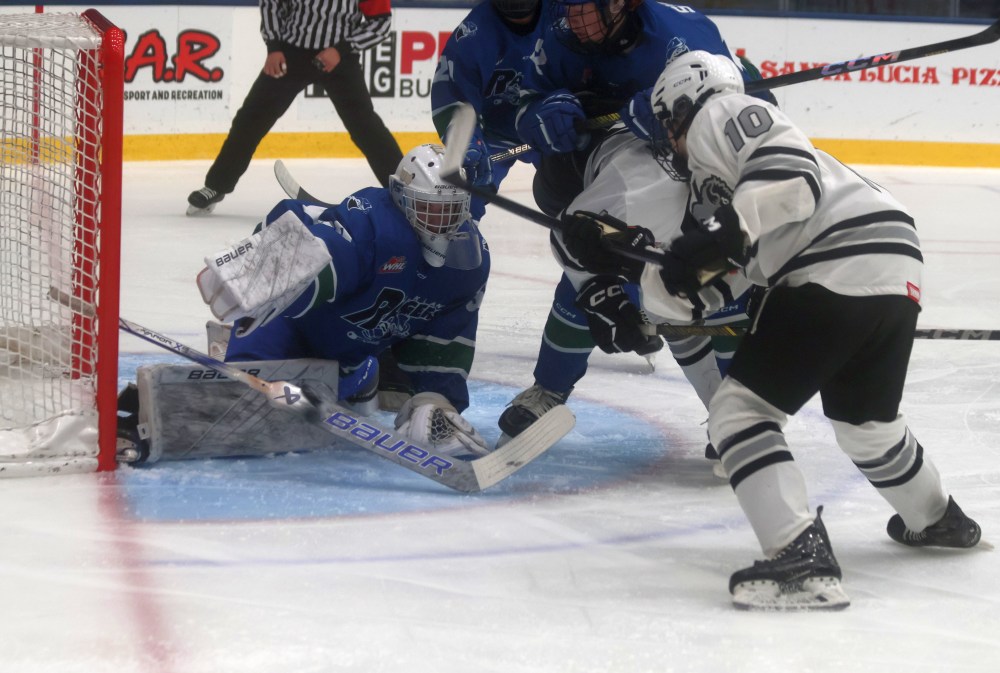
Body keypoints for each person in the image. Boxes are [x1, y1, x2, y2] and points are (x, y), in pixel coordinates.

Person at [572, 50, 983, 610]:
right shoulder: (720, 190)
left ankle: (799, 554)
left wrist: (722, 231)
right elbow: (720, 281)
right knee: (868, 424)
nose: (670, 140)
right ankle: (937, 518)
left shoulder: (721, 112)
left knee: (740, 415)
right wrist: (626, 265)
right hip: (890, 268)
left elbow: (792, 175)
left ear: (680, 107)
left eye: (669, 123)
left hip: (833, 260)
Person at [121, 145, 494, 464]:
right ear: (400, 197)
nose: (442, 224)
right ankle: (208, 368)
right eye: (430, 209)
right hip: (289, 328)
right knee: (249, 412)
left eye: (452, 210)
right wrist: (273, 273)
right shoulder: (373, 222)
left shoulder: (468, 261)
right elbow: (328, 248)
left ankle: (364, 376)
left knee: (325, 392)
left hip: (347, 353)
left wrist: (435, 399)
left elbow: (445, 335)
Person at [498, 0, 764, 442]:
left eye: (586, 8)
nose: (572, 19)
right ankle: (549, 389)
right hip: (610, 161)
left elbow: (754, 108)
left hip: (683, 167)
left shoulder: (683, 35)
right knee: (598, 255)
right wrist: (540, 117)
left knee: (727, 293)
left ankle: (737, 417)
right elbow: (525, 104)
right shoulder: (563, 36)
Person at [186, 0, 403, 216]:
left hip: (340, 59)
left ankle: (405, 192)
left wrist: (342, 49)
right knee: (251, 119)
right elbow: (272, 5)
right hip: (291, 54)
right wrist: (274, 48)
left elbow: (380, 23)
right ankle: (217, 185)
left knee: (366, 126)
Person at [430, 0, 557, 221]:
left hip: (551, 126)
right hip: (494, 135)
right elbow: (453, 99)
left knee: (586, 196)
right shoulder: (472, 35)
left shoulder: (567, 16)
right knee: (458, 208)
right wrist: (469, 145)